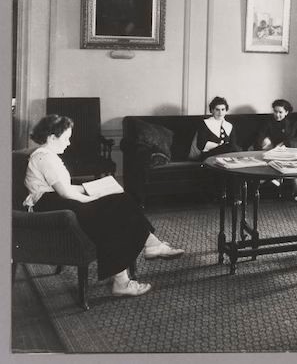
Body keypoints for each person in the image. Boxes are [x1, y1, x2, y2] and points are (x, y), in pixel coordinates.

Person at [24, 115, 184, 298]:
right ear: (51, 138)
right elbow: (65, 193)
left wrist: (92, 188)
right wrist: (94, 198)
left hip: (56, 201)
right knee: (117, 206)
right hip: (51, 208)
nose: (68, 143)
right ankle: (149, 248)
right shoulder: (45, 158)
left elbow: (65, 187)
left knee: (118, 206)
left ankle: (127, 273)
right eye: (66, 138)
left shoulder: (48, 155)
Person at [255, 99, 297, 202]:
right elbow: (259, 136)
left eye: (280, 112)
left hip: (288, 151)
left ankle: (296, 190)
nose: (277, 115)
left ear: (286, 112)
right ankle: (277, 180)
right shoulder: (268, 122)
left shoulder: (293, 124)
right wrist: (264, 140)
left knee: (292, 161)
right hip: (272, 151)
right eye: (275, 111)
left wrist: (285, 143)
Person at [189, 96, 240, 161]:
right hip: (208, 156)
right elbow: (201, 145)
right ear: (212, 110)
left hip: (226, 156)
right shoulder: (205, 123)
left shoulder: (229, 125)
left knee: (233, 148)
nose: (220, 113)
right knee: (230, 147)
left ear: (226, 111)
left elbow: (233, 144)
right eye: (217, 109)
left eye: (223, 109)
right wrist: (222, 147)